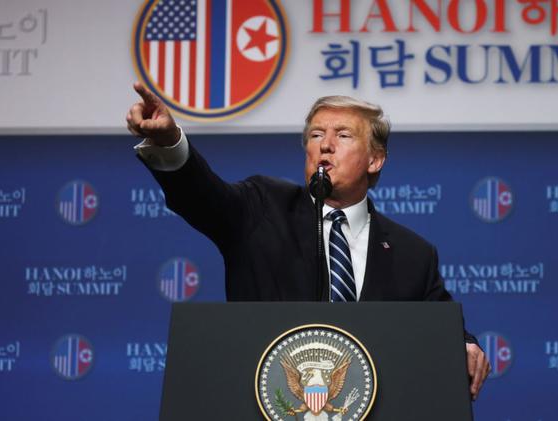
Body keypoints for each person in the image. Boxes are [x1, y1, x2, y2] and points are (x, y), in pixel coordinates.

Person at [126, 82, 491, 400]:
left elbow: (441, 326)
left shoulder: (413, 253)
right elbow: (203, 196)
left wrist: (464, 345)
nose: (325, 146)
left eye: (343, 135)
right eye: (316, 135)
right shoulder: (262, 208)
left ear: (375, 160)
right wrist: (170, 142)